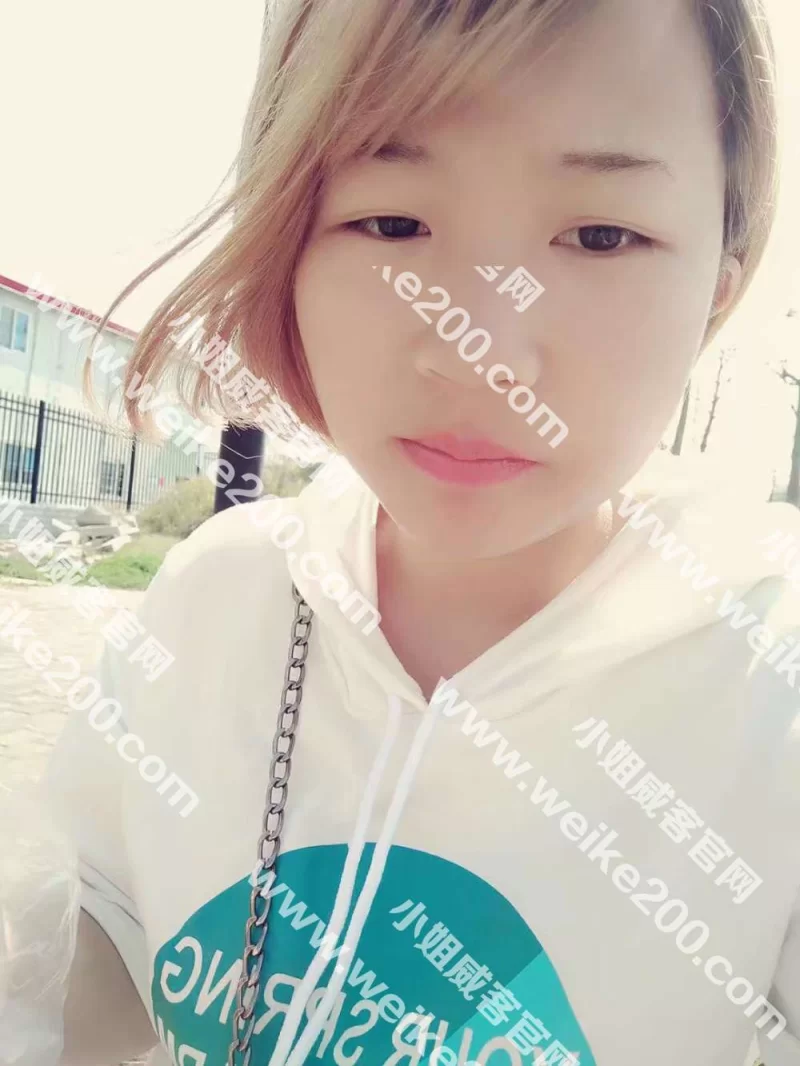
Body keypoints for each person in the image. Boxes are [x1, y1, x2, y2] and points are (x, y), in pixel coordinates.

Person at [42, 0, 800, 1064]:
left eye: (600, 235)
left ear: (715, 291)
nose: (478, 350)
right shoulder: (215, 599)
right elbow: (82, 946)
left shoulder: (769, 682)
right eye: (391, 224)